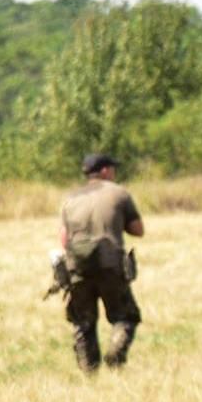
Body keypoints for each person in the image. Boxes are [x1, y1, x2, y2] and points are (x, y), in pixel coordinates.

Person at [58, 152, 144, 373]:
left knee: (83, 323)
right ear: (105, 171)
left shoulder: (70, 199)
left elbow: (64, 240)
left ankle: (89, 373)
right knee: (125, 316)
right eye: (112, 169)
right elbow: (138, 230)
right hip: (110, 265)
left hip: (77, 266)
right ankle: (116, 354)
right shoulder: (120, 194)